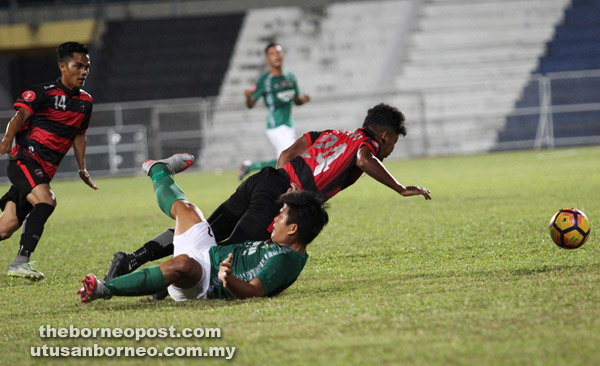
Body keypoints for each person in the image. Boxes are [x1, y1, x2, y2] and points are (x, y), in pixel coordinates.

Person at [103, 103, 431, 287]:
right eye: (392, 145)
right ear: (385, 135)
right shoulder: (367, 146)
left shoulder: (333, 133)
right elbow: (364, 159)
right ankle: (165, 285)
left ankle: (132, 259)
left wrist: (284, 182)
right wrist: (400, 187)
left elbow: (288, 152)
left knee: (206, 231)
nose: (388, 151)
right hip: (275, 194)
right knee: (224, 250)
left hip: (264, 179)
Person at [78, 153, 329, 302]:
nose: (273, 220)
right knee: (186, 209)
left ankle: (103, 288)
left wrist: (228, 279)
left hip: (204, 281)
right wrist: (297, 200)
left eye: (281, 216)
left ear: (294, 229)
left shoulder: (285, 261)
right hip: (208, 251)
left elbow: (254, 292)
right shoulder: (289, 242)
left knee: (182, 265)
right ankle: (159, 171)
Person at [0, 42, 97, 280]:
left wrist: (82, 169)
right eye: (78, 66)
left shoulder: (85, 102)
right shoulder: (44, 92)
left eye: (87, 67)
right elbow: (20, 115)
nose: (84, 71)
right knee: (47, 200)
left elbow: (79, 135)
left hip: (44, 170)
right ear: (63, 67)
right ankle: (21, 261)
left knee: (5, 227)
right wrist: (7, 140)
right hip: (25, 159)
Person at [239, 42, 310, 180]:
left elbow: (296, 99)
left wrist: (303, 100)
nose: (276, 56)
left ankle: (250, 167)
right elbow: (251, 104)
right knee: (293, 157)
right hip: (275, 125)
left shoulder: (290, 77)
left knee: (282, 163)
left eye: (279, 52)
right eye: (272, 54)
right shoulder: (265, 80)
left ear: (283, 55)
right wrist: (248, 97)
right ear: (267, 58)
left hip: (289, 124)